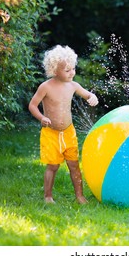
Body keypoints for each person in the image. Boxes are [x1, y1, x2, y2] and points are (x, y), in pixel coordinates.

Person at [28, 45, 98, 204]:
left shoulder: (73, 85)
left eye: (73, 69)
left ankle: (80, 196)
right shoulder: (45, 87)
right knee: (52, 166)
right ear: (54, 70)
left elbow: (87, 94)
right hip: (51, 133)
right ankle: (47, 196)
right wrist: (41, 118)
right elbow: (32, 105)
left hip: (68, 132)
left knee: (74, 165)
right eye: (67, 70)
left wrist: (92, 97)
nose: (72, 73)